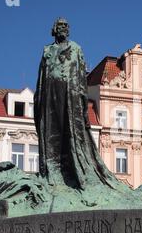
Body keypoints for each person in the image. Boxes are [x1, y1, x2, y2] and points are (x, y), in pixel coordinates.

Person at [34, 18, 125, 190]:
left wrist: (82, 101)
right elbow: (41, 77)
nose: (63, 29)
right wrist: (39, 98)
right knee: (52, 132)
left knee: (71, 131)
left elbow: (82, 76)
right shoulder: (47, 50)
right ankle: (53, 170)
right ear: (54, 29)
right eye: (60, 26)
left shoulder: (76, 49)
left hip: (71, 95)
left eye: (66, 26)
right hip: (50, 94)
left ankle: (74, 172)